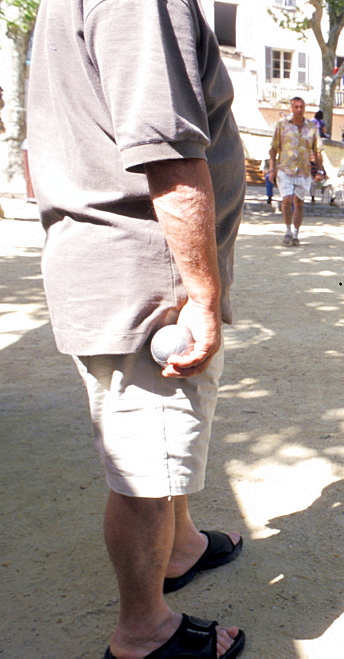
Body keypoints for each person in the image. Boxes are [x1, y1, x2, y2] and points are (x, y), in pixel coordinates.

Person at [28, 0, 248, 657]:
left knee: (162, 442)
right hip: (143, 278)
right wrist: (203, 294)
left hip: (119, 266)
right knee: (146, 465)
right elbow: (167, 150)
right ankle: (144, 632)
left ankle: (178, 548)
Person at [269, 96, 322, 246]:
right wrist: (272, 169)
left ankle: (296, 234)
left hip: (303, 171)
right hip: (285, 169)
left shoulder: (312, 127)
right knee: (286, 200)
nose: (299, 109)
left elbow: (318, 150)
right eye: (296, 106)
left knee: (299, 202)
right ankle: (287, 231)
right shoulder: (282, 125)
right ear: (291, 108)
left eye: (301, 107)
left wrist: (320, 170)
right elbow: (273, 148)